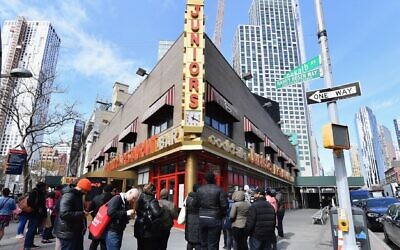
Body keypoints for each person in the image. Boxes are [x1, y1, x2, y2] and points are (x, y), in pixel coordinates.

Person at [56, 178, 92, 250]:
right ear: (82, 189)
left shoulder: (77, 195)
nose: (86, 193)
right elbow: (64, 214)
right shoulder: (69, 195)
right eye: (86, 191)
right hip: (68, 232)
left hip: (74, 232)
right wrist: (82, 214)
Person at [197, 171, 228, 250]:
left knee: (203, 244)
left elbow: (196, 204)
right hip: (215, 218)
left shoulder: (200, 190)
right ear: (214, 179)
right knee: (213, 244)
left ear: (205, 180)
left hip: (202, 217)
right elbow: (225, 205)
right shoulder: (219, 190)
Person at [134, 183, 163, 250]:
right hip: (148, 229)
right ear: (151, 190)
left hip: (139, 227)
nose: (156, 192)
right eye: (154, 190)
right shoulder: (151, 200)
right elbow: (157, 213)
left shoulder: (140, 197)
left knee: (140, 247)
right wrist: (162, 209)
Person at [88, 184, 114, 250]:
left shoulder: (96, 197)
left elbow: (89, 209)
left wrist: (94, 216)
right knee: (104, 243)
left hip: (97, 221)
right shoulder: (113, 198)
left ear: (103, 190)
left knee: (94, 243)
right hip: (107, 223)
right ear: (112, 190)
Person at [24, 182, 47, 250]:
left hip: (38, 214)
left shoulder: (40, 192)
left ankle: (30, 244)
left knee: (33, 230)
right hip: (34, 214)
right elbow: (30, 202)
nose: (46, 188)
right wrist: (37, 208)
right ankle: (27, 245)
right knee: (31, 229)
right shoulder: (34, 192)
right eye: (45, 187)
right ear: (41, 187)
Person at [185, 184, 200, 250]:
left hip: (189, 220)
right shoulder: (199, 199)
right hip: (198, 220)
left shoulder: (188, 198)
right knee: (197, 242)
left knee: (190, 241)